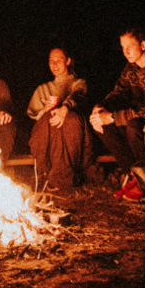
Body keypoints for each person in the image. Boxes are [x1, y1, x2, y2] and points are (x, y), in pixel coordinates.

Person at [90, 27, 145, 198]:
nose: (126, 51)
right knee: (100, 124)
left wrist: (111, 117)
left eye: (130, 46)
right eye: (123, 47)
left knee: (132, 126)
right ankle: (131, 173)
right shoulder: (130, 68)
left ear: (143, 45)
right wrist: (101, 107)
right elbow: (119, 91)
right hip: (136, 120)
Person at [27, 47, 97, 191]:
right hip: (48, 138)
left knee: (70, 119)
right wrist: (45, 110)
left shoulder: (78, 83)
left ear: (68, 61)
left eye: (59, 60)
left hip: (75, 138)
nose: (54, 64)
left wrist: (64, 109)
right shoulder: (43, 89)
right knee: (48, 117)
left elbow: (78, 95)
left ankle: (61, 177)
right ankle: (49, 172)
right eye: (51, 61)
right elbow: (33, 117)